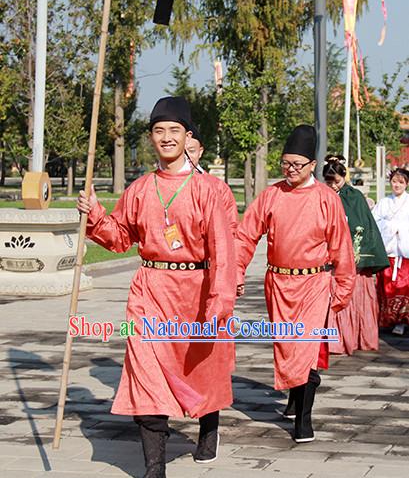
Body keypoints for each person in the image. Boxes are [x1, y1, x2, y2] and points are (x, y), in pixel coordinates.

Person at [77, 96, 236, 477]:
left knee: (201, 370)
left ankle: (207, 429)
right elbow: (118, 237)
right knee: (144, 373)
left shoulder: (209, 190)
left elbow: (224, 252)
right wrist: (95, 214)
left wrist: (220, 302)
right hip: (149, 290)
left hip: (195, 291)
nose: (166, 138)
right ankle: (154, 467)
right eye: (158, 131)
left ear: (187, 136)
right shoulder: (141, 189)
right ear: (151, 137)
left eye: (173, 131)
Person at [235, 125, 356, 443]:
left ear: (312, 166)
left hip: (314, 285)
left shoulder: (327, 199)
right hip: (278, 284)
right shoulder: (271, 195)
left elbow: (342, 248)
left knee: (306, 349)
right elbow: (245, 236)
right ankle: (294, 397)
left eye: (296, 165)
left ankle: (303, 420)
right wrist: (235, 272)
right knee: (288, 347)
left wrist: (342, 290)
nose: (289, 170)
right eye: (285, 164)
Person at [322, 155, 389, 355]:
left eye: (336, 180)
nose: (332, 185)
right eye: (328, 181)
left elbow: (365, 226)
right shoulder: (322, 196)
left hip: (353, 260)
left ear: (344, 176)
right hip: (330, 259)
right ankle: (335, 340)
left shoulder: (355, 197)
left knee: (354, 296)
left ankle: (360, 337)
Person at [372, 168, 409, 335]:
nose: (397, 185)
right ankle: (387, 319)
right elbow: (374, 222)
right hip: (388, 251)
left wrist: (401, 229)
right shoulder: (384, 202)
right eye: (394, 181)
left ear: (406, 184)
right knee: (386, 286)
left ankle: (401, 321)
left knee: (402, 286)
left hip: (404, 252)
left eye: (401, 182)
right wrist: (389, 228)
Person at [185, 123, 239, 236]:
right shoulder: (159, 185)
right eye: (182, 152)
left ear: (200, 152)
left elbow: (231, 227)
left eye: (191, 151)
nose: (187, 157)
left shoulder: (218, 187)